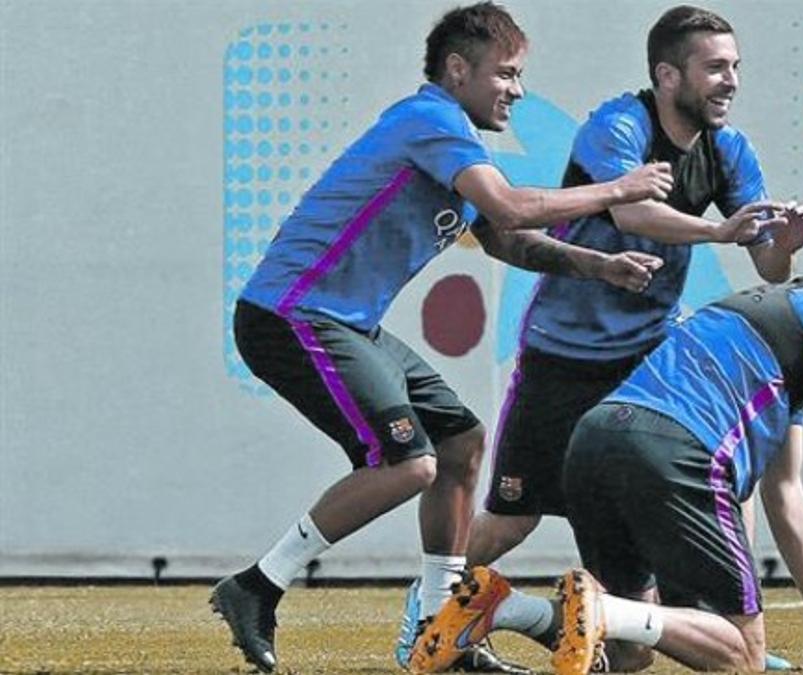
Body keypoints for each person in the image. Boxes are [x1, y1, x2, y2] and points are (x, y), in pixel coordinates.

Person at [208, 3, 675, 673]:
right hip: (292, 314)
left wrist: (596, 264)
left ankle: (439, 627)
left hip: (346, 324)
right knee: (408, 463)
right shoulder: (430, 120)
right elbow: (512, 205)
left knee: (461, 442)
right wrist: (616, 190)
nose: (516, 89)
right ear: (458, 70)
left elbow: (506, 237)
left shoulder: (452, 138)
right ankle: (257, 584)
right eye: (505, 74)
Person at [394, 6, 803, 668]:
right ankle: (427, 610)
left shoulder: (730, 150)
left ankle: (733, 636)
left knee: (715, 494)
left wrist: (779, 247)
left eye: (735, 66)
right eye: (715, 68)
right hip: (564, 354)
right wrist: (716, 233)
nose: (730, 80)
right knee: (512, 517)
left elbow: (766, 260)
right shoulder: (618, 124)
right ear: (667, 75)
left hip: (648, 363)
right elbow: (631, 209)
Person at [410, 205, 803, 674]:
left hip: (595, 441)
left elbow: (784, 492)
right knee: (742, 654)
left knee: (629, 651)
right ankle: (599, 610)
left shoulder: (795, 317)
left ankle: (501, 606)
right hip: (674, 452)